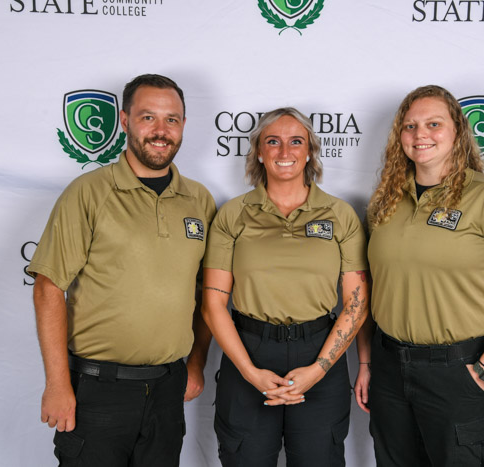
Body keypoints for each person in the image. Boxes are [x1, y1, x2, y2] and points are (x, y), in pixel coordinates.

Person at [27, 74, 216, 467]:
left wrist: (196, 363)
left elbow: (208, 295)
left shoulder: (199, 199)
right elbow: (48, 287)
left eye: (172, 119)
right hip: (97, 392)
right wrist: (58, 384)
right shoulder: (89, 192)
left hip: (167, 391)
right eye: (148, 117)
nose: (161, 131)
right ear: (125, 120)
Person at [354, 85, 484, 466]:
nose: (420, 134)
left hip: (458, 370)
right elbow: (369, 290)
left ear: (458, 130)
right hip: (389, 369)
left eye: (433, 124)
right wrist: (367, 363)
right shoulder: (383, 202)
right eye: (409, 126)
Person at [202, 107, 370, 467]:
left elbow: (356, 304)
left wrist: (318, 369)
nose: (284, 152)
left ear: (309, 150)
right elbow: (213, 305)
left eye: (296, 142)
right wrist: (251, 373)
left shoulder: (340, 215)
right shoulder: (233, 215)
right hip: (249, 351)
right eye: (272, 142)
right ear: (259, 152)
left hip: (319, 352)